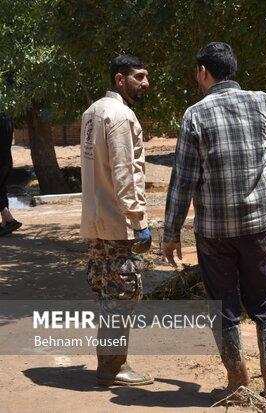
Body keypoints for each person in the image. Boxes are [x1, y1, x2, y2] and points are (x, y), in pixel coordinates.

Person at [162, 42, 266, 402]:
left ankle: (237, 383)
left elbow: (183, 180)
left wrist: (171, 234)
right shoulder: (262, 102)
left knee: (223, 304)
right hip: (259, 225)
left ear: (203, 72)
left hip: (215, 232)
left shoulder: (195, 116)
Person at [80, 55, 153, 386]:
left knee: (109, 295)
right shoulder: (121, 115)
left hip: (96, 222)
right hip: (117, 223)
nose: (146, 83)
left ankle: (108, 365)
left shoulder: (91, 112)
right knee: (123, 294)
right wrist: (140, 222)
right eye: (139, 77)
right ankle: (113, 368)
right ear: (120, 79)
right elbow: (126, 174)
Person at [0, 112, 22, 236]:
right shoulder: (7, 118)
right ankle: (5, 224)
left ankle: (9, 219)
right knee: (1, 189)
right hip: (7, 160)